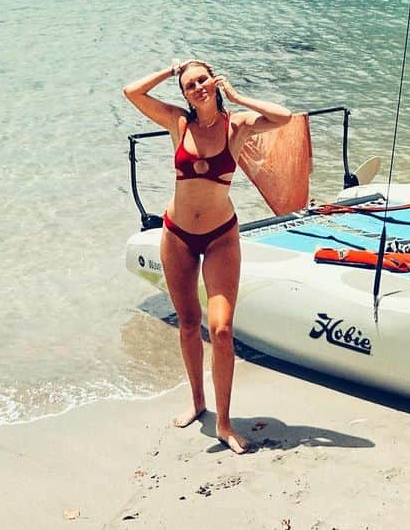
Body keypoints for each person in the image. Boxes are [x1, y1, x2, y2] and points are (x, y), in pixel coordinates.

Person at [123, 59, 292, 452]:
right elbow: (131, 93)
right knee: (187, 324)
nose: (197, 87)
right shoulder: (179, 124)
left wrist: (235, 95)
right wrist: (168, 71)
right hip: (177, 235)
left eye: (202, 80)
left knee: (221, 329)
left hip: (220, 237)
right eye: (189, 85)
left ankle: (226, 423)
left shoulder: (237, 126)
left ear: (213, 82)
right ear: (183, 94)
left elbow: (283, 117)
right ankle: (198, 403)